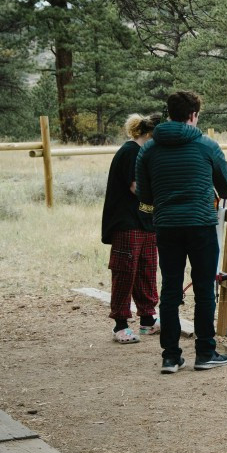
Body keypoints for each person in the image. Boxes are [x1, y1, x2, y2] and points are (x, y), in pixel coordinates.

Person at [136, 90, 227, 374]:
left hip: (166, 225)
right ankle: (205, 351)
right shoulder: (206, 145)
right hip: (201, 224)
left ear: (169, 113)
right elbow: (226, 187)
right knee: (204, 288)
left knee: (170, 288)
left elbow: (143, 192)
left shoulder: (149, 149)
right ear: (193, 115)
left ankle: (170, 355)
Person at [101, 112, 161, 343]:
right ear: (149, 134)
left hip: (146, 221)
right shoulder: (130, 152)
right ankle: (120, 325)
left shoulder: (143, 152)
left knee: (147, 270)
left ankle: (147, 320)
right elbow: (136, 187)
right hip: (127, 222)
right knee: (125, 271)